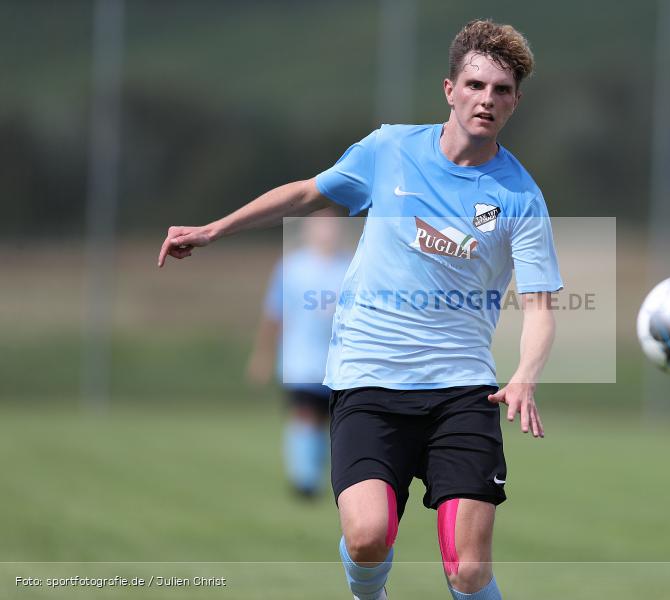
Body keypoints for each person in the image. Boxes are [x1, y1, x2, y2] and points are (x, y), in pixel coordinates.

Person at [158, 19, 562, 600]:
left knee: (468, 570)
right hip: (370, 382)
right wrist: (217, 228)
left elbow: (541, 305)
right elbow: (304, 193)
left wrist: (525, 374)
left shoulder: (520, 196)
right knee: (370, 536)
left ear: (516, 101)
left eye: (501, 91)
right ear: (449, 89)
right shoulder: (390, 149)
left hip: (462, 391)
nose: (486, 100)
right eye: (475, 85)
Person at [246, 209, 350, 498]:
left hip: (340, 361)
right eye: (321, 227)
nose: (327, 233)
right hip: (301, 358)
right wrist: (262, 355)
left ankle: (320, 471)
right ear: (309, 231)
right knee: (303, 413)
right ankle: (303, 480)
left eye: (332, 228)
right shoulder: (291, 267)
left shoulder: (351, 266)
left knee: (328, 420)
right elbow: (275, 313)